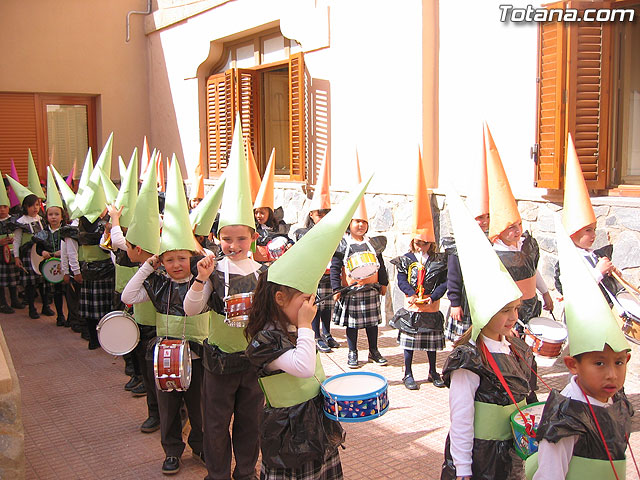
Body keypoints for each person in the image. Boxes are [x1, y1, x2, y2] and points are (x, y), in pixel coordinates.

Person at [243, 172, 369, 480]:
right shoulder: (265, 339)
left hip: (316, 426)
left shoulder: (291, 328)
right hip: (288, 437)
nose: (310, 306)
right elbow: (301, 366)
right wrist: (305, 326)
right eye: (304, 299)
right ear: (280, 297)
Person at [183, 120, 263, 480]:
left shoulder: (263, 273)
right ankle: (217, 474)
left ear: (253, 237)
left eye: (240, 239)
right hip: (218, 362)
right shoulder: (211, 269)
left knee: (250, 422)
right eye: (227, 239)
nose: (233, 246)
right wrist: (200, 278)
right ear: (217, 236)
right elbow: (191, 309)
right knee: (216, 424)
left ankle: (245, 471)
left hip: (252, 362)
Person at [441, 190, 537, 480]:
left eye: (516, 308)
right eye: (505, 310)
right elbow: (461, 421)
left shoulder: (518, 347)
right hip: (480, 458)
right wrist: (463, 470)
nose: (513, 318)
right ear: (484, 312)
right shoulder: (469, 359)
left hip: (513, 454)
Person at [527, 216, 633, 480]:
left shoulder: (617, 402)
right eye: (599, 363)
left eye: (619, 363)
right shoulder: (566, 418)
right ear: (573, 364)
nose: (612, 375)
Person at [122, 160, 207, 475]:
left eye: (181, 258)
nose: (176, 265)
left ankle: (199, 445)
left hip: (199, 354)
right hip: (166, 356)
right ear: (163, 260)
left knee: (199, 407)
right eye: (169, 260)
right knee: (169, 408)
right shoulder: (157, 283)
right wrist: (149, 265)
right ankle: (172, 451)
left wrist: (202, 266)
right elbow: (128, 297)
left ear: (190, 258)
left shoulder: (204, 282)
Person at [483, 123, 552, 330]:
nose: (517, 230)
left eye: (519, 224)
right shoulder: (495, 253)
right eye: (510, 227)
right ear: (498, 231)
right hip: (507, 309)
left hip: (529, 305)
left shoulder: (525, 245)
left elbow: (532, 272)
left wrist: (545, 292)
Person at [390, 153, 447, 389]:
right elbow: (401, 279)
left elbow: (444, 282)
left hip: (431, 306)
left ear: (430, 243)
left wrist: (433, 296)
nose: (420, 246)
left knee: (431, 343)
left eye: (424, 243)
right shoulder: (406, 259)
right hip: (413, 304)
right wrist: (411, 294)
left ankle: (433, 371)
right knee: (410, 342)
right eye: (417, 242)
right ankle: (408, 372)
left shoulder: (439, 260)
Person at [553, 135, 621, 305]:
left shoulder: (593, 255)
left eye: (594, 229)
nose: (593, 235)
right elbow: (574, 290)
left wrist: (613, 275)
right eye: (588, 230)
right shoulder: (568, 260)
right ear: (573, 233)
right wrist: (598, 272)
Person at [330, 178, 388, 368]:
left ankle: (374, 350)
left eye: (364, 221)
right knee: (352, 325)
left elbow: (381, 264)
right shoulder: (342, 243)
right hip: (351, 291)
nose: (361, 225)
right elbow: (336, 267)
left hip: (371, 289)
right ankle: (353, 352)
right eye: (357, 221)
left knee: (372, 324)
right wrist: (336, 288)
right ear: (349, 223)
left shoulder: (373, 243)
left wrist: (384, 283)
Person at [292, 155, 337, 353]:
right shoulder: (303, 233)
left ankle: (327, 333)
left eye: (326, 212)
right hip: (312, 276)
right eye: (319, 213)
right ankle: (316, 335)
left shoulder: (333, 233)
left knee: (327, 306)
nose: (322, 216)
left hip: (327, 275)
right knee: (315, 306)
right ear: (311, 214)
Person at [7, 177, 52, 319]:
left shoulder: (41, 219)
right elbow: (17, 240)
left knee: (44, 282)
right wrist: (16, 257)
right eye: (32, 205)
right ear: (25, 206)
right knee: (31, 284)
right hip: (27, 255)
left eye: (37, 205)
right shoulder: (20, 222)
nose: (35, 208)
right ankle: (32, 308)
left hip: (41, 254)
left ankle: (46, 306)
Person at [33, 168, 69, 326]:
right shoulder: (43, 232)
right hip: (51, 267)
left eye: (56, 214)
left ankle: (70, 316)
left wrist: (63, 252)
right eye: (50, 214)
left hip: (65, 266)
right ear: (46, 216)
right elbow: (38, 249)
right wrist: (44, 252)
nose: (53, 217)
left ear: (62, 216)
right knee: (55, 292)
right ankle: (59, 315)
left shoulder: (66, 231)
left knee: (66, 292)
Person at [253, 150, 292, 264]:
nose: (258, 216)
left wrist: (289, 244)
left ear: (270, 213)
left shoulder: (279, 225)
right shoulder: (253, 228)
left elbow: (287, 238)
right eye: (256, 212)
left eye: (262, 213)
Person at [0, 175, 23, 313]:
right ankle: (2, 302)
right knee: (1, 281)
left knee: (13, 278)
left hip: (11, 253)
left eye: (4, 206)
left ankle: (14, 299)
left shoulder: (14, 220)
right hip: (0, 257)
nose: (2, 210)